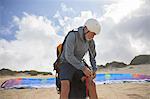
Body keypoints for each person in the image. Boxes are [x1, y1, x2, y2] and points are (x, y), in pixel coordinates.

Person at [59, 18, 101, 99]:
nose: (93, 36)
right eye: (92, 33)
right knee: (65, 85)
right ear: (86, 29)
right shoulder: (72, 35)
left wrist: (94, 69)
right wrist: (83, 68)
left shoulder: (91, 41)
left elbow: (92, 56)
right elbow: (69, 56)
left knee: (91, 83)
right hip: (66, 62)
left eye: (95, 34)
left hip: (79, 63)